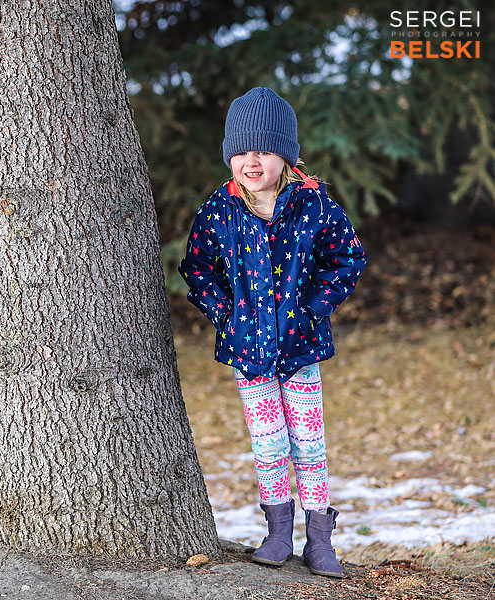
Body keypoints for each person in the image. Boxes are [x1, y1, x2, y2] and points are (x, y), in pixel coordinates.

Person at [178, 87, 368, 578]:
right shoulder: (220, 209)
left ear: (287, 155)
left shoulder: (315, 206)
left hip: (300, 346)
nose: (251, 160)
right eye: (241, 151)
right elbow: (196, 267)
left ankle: (319, 538)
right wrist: (226, 314)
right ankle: (278, 531)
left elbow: (348, 258)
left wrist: (316, 307)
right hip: (249, 350)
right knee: (268, 441)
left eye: (263, 150)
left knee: (308, 440)